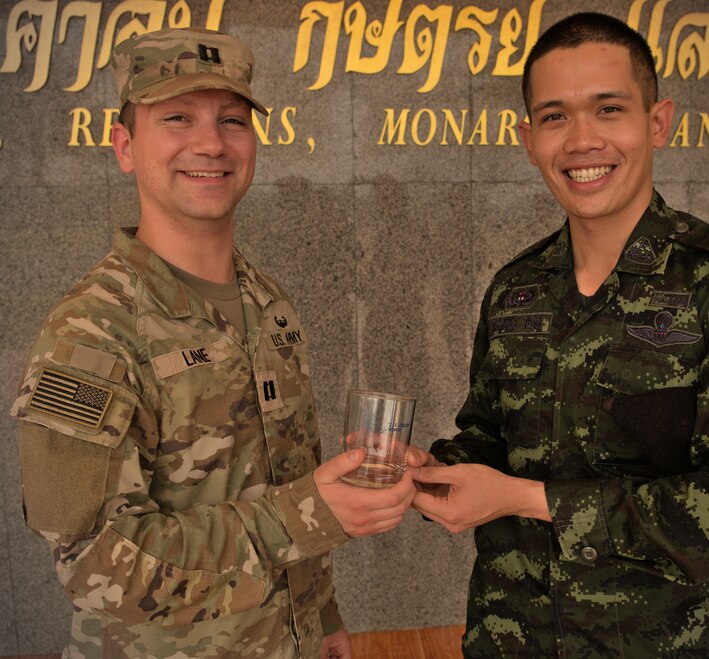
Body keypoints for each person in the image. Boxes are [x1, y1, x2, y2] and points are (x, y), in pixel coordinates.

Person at [410, 12, 709, 657]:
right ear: (528, 137)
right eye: (555, 116)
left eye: (609, 109)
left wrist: (524, 499)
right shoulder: (515, 290)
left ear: (657, 122)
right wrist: (429, 472)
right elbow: (489, 435)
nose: (581, 140)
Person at [10, 27, 416, 659]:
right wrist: (306, 515)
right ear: (124, 145)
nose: (210, 143)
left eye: (232, 120)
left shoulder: (267, 302)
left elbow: (288, 472)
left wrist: (321, 614)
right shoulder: (92, 330)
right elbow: (94, 564)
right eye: (177, 117)